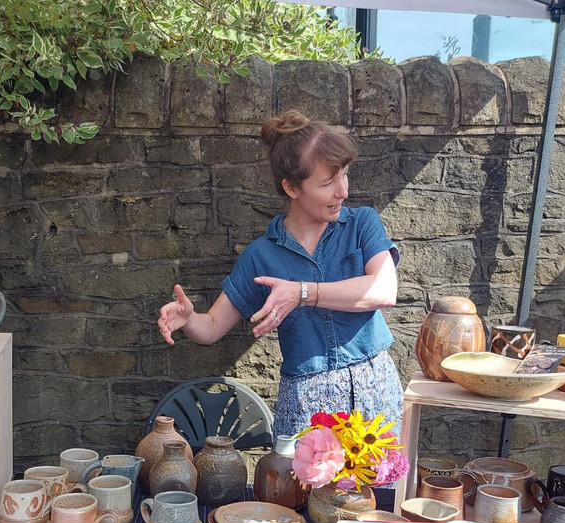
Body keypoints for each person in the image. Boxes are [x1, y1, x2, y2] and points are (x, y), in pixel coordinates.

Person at [156, 109, 403, 437]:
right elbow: (212, 327)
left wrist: (302, 293)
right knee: (302, 489)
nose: (342, 191)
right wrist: (188, 319)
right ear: (291, 188)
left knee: (377, 488)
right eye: (328, 183)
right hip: (306, 400)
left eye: (344, 175)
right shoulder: (262, 255)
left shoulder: (362, 224)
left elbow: (384, 290)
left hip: (373, 387)